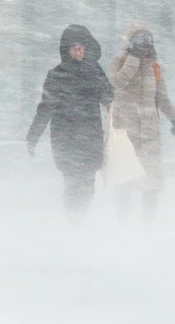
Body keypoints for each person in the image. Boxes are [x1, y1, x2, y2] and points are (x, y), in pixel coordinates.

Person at [27, 24, 115, 225]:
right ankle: (74, 221)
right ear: (67, 50)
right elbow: (45, 108)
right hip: (66, 138)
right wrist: (33, 136)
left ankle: (78, 220)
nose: (79, 51)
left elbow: (108, 96)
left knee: (88, 183)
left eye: (82, 48)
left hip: (90, 137)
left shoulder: (94, 71)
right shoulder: (57, 75)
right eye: (75, 47)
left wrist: (96, 74)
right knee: (73, 182)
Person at [108, 23, 175, 223]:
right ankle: (122, 222)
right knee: (124, 180)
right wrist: (132, 60)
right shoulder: (118, 63)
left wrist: (174, 118)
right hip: (125, 133)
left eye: (147, 43)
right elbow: (118, 83)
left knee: (152, 181)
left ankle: (149, 224)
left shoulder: (154, 69)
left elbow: (162, 97)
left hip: (150, 134)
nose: (144, 47)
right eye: (139, 43)